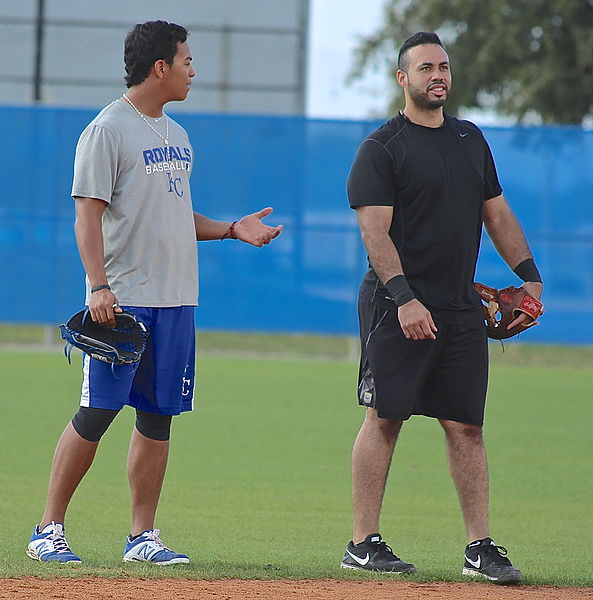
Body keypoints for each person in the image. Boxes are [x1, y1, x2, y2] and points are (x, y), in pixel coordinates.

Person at [26, 20, 282, 565]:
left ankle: (142, 537)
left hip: (176, 298)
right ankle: (47, 529)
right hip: (124, 300)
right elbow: (86, 216)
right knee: (96, 411)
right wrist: (99, 286)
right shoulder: (107, 130)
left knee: (158, 418)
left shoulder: (176, 136)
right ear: (160, 67)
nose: (193, 70)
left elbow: (173, 216)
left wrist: (232, 229)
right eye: (187, 60)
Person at [340, 32, 542, 585]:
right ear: (402, 78)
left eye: (444, 67)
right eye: (426, 67)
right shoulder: (382, 147)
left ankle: (479, 548)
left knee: (467, 426)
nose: (438, 75)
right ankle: (362, 542)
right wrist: (405, 298)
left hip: (460, 307)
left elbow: (496, 214)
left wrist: (530, 279)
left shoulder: (470, 140)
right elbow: (374, 234)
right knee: (385, 417)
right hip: (394, 304)